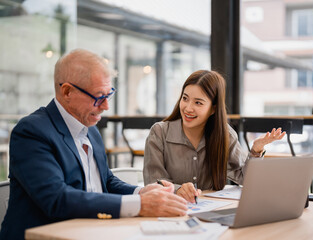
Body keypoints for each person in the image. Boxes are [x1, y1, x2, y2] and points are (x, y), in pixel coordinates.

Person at [0, 49, 187, 240]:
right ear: (67, 92)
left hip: (92, 231)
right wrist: (139, 204)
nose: (106, 106)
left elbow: (105, 181)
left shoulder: (90, 130)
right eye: (98, 96)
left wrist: (141, 191)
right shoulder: (32, 132)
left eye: (109, 95)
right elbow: (57, 199)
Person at [143, 70, 286, 203]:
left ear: (213, 109)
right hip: (170, 210)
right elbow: (153, 181)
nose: (188, 108)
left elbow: (245, 179)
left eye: (198, 102)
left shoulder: (225, 135)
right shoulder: (159, 132)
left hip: (209, 210)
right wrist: (177, 189)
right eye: (185, 98)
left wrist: (256, 150)